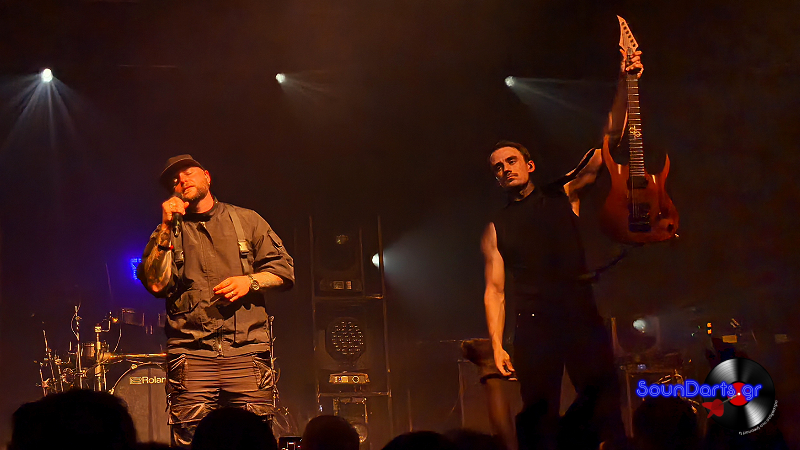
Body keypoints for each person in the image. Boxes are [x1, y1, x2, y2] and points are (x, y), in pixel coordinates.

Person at [481, 50, 643, 450]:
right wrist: (497, 345)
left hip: (579, 312)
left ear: (530, 165)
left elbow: (609, 141)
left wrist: (627, 82)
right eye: (498, 167)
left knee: (602, 402)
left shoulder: (563, 193)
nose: (505, 169)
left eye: (511, 161)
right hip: (534, 324)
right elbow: (495, 290)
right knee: (538, 414)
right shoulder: (495, 228)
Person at [139, 154, 295, 447]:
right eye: (175, 180)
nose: (182, 180)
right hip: (192, 356)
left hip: (246, 353)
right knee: (191, 440)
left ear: (207, 177)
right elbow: (156, 284)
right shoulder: (168, 232)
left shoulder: (247, 220)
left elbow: (284, 272)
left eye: (188, 172)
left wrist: (249, 282)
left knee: (254, 440)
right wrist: (166, 228)